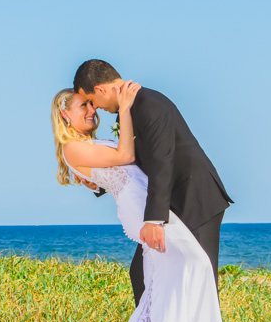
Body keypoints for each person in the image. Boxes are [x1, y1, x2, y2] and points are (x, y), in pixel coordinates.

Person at [50, 82, 232, 322]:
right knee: (192, 267)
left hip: (146, 203)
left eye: (92, 105)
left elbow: (120, 167)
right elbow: (125, 155)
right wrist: (123, 108)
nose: (92, 110)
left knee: (173, 274)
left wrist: (95, 181)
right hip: (142, 210)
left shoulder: (85, 145)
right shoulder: (71, 147)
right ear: (65, 114)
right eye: (84, 106)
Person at [72, 59, 233, 307]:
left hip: (194, 199)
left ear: (101, 89)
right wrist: (97, 183)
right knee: (142, 274)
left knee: (199, 280)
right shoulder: (130, 110)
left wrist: (153, 220)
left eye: (92, 100)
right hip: (173, 200)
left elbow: (161, 161)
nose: (94, 108)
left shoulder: (148, 104)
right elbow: (137, 164)